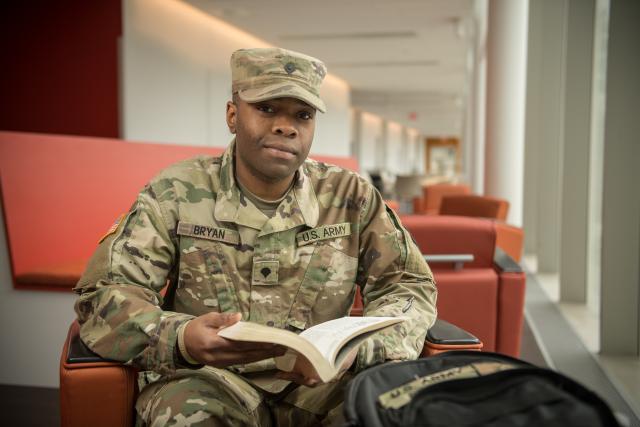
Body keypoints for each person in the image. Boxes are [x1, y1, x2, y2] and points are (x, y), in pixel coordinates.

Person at [74, 47, 437, 427]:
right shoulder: (177, 191)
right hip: (207, 380)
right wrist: (181, 336)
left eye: (303, 115)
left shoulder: (351, 197)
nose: (286, 126)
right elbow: (105, 294)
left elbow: (409, 286)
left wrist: (359, 350)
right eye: (266, 109)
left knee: (387, 412)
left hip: (324, 385)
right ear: (233, 115)